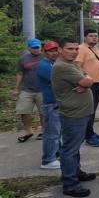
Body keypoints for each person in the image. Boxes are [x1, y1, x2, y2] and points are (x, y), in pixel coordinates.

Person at [52, 38, 97, 197]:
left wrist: (86, 81)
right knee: (69, 150)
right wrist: (86, 82)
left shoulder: (71, 64)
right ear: (60, 50)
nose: (74, 52)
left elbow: (86, 76)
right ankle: (70, 184)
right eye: (69, 49)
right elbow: (86, 80)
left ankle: (76, 172)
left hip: (80, 113)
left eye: (76, 49)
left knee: (74, 147)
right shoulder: (63, 66)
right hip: (73, 114)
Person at [75, 29, 99, 147]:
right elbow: (77, 67)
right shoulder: (81, 49)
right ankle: (88, 136)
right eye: (91, 36)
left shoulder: (95, 49)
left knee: (93, 110)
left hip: (98, 83)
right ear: (85, 37)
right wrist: (81, 83)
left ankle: (90, 132)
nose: (94, 38)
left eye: (96, 36)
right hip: (89, 85)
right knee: (88, 111)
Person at [12, 38, 44, 143]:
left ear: (40, 47)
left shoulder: (46, 57)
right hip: (27, 89)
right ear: (28, 48)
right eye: (33, 48)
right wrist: (16, 88)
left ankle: (44, 131)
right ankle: (28, 131)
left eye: (37, 47)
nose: (36, 49)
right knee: (23, 111)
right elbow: (20, 73)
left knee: (44, 112)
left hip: (43, 89)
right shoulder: (23, 59)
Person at [36, 41, 61, 170]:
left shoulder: (52, 63)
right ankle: (48, 160)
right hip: (50, 103)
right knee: (52, 134)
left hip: (55, 103)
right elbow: (59, 82)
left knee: (56, 132)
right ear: (45, 52)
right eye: (51, 51)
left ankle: (56, 154)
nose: (54, 53)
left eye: (56, 50)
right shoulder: (43, 65)